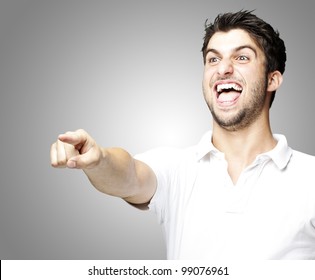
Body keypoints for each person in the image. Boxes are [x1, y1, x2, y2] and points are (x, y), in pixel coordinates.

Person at [50, 10, 315, 260]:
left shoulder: (309, 178)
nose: (223, 69)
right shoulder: (177, 169)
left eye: (241, 57)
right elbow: (129, 174)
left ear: (272, 79)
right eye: (213, 59)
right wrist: (99, 160)